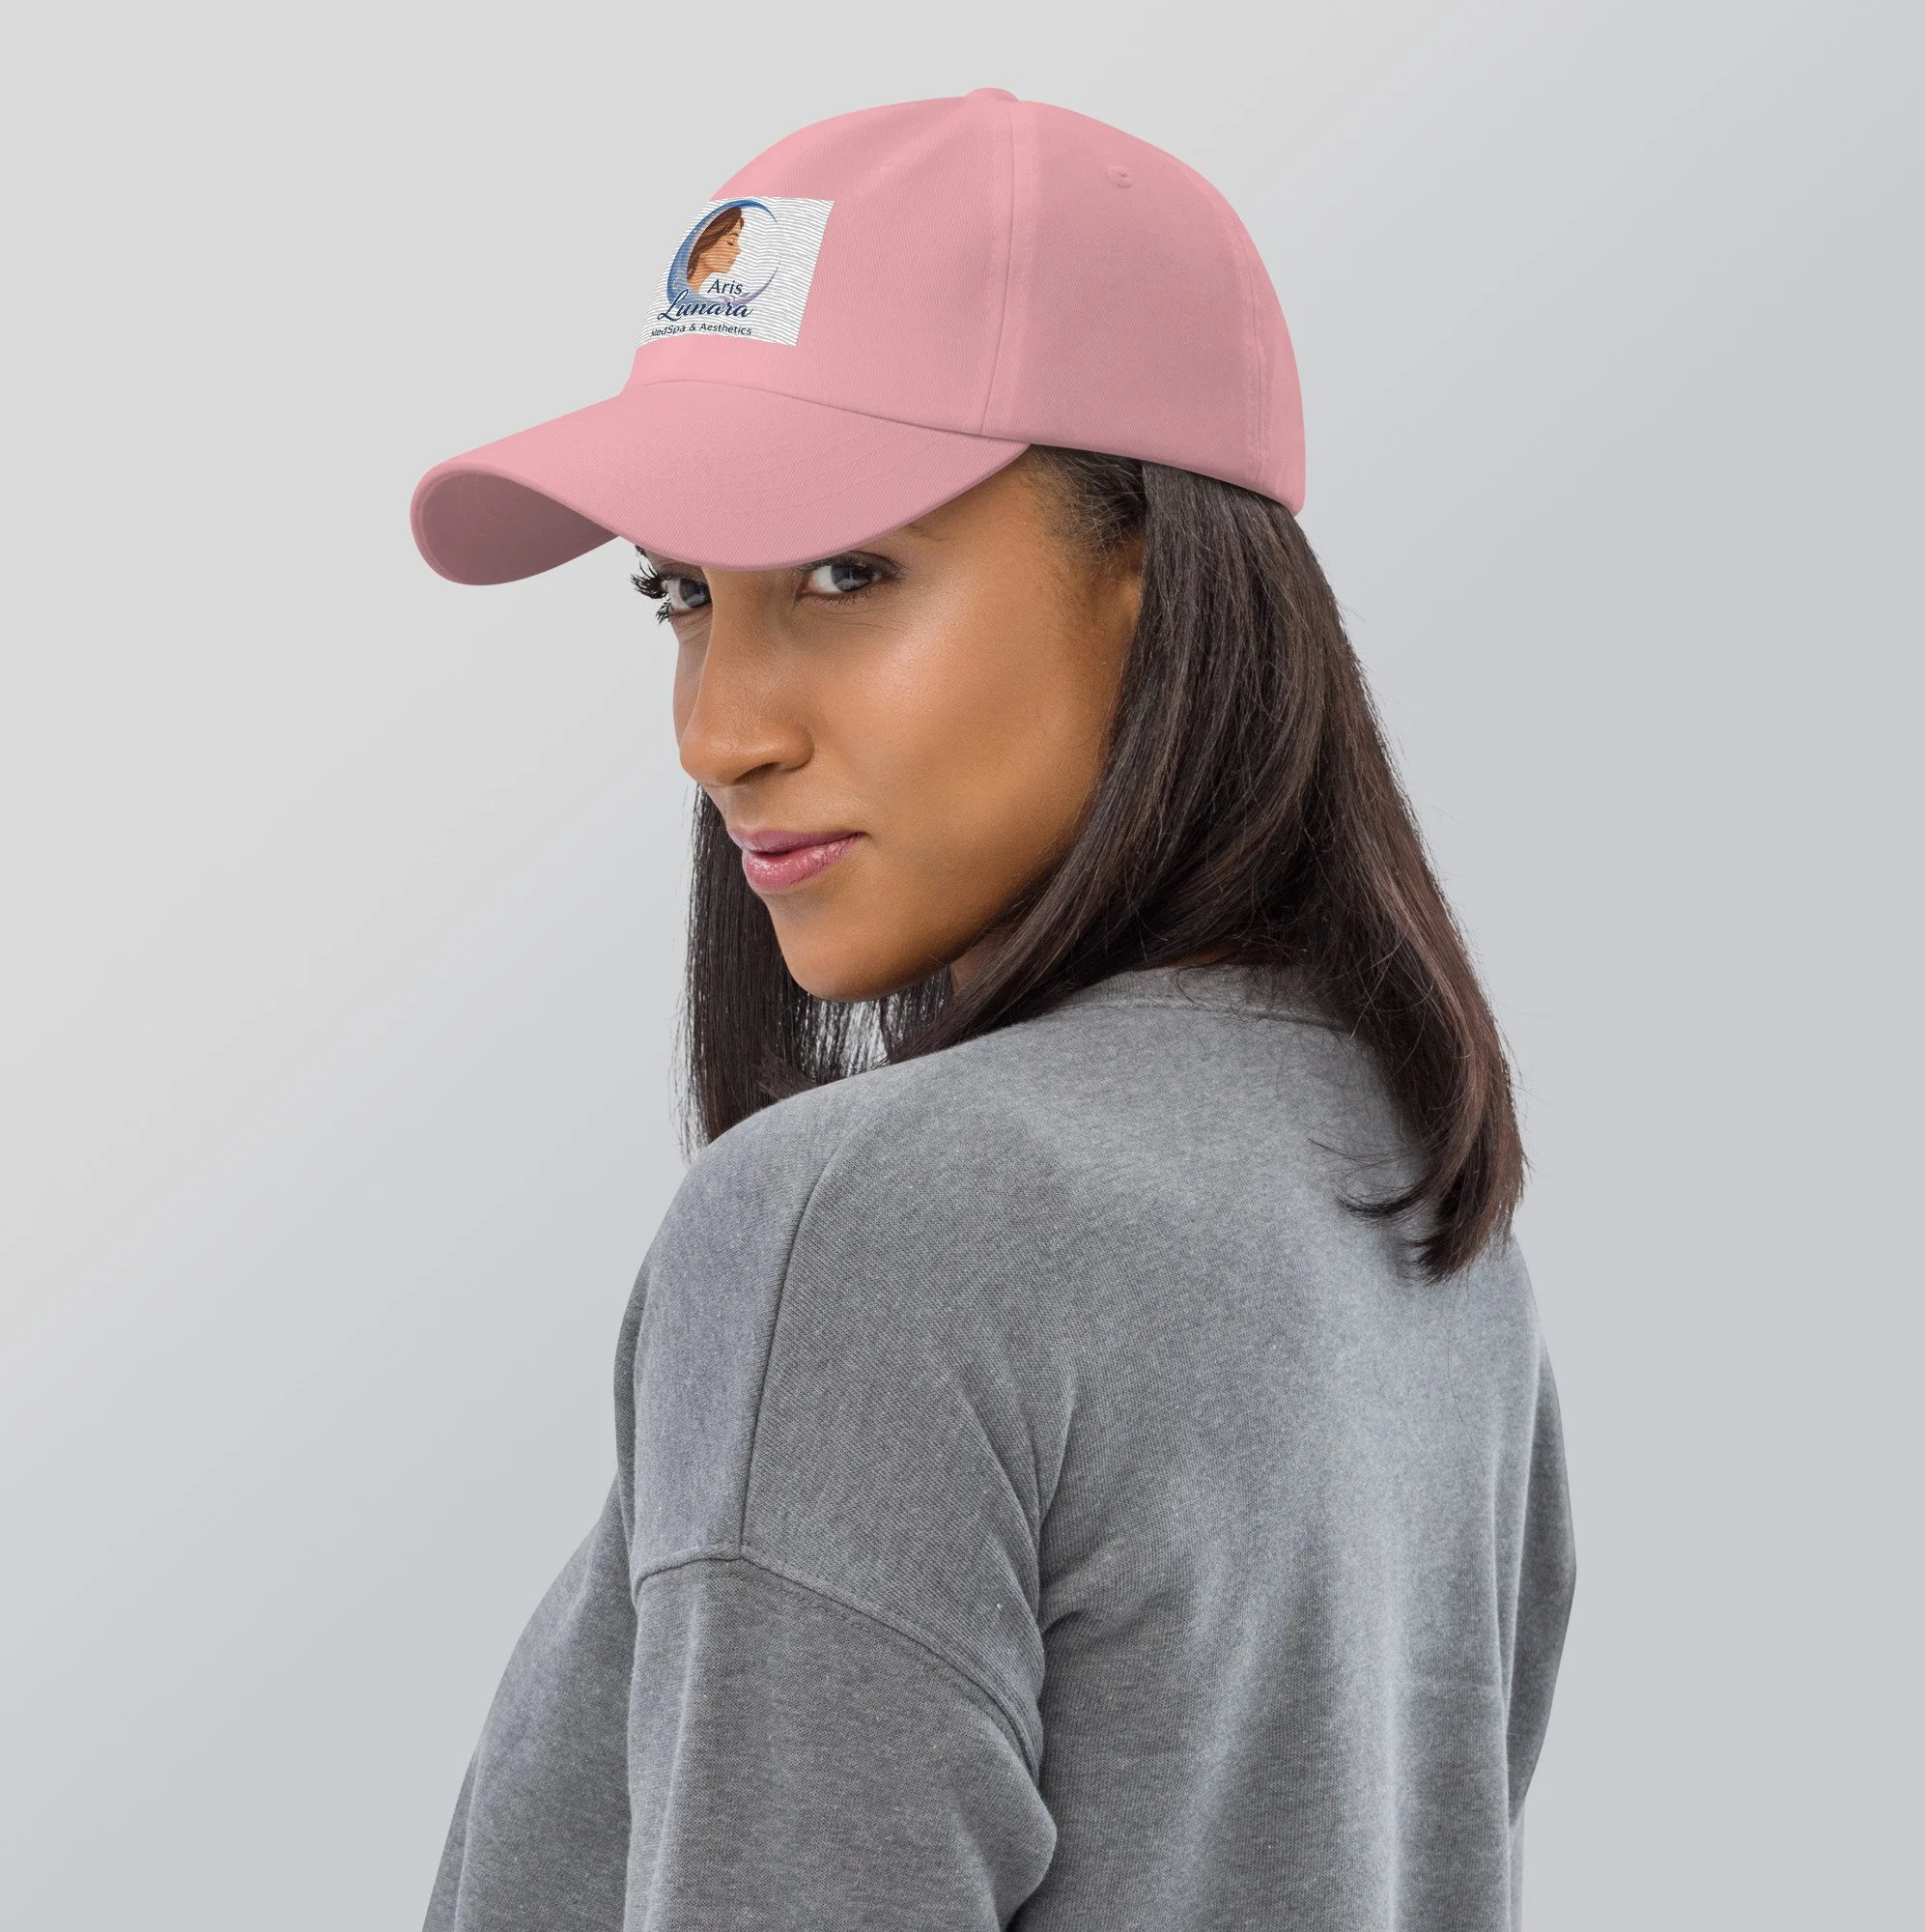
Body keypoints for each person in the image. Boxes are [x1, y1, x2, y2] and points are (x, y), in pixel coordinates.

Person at [408, 87, 1574, 1932]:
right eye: (682, 594)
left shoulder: (872, 1225)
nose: (719, 730)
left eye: (848, 572)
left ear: (1154, 588)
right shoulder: (1419, 1210)